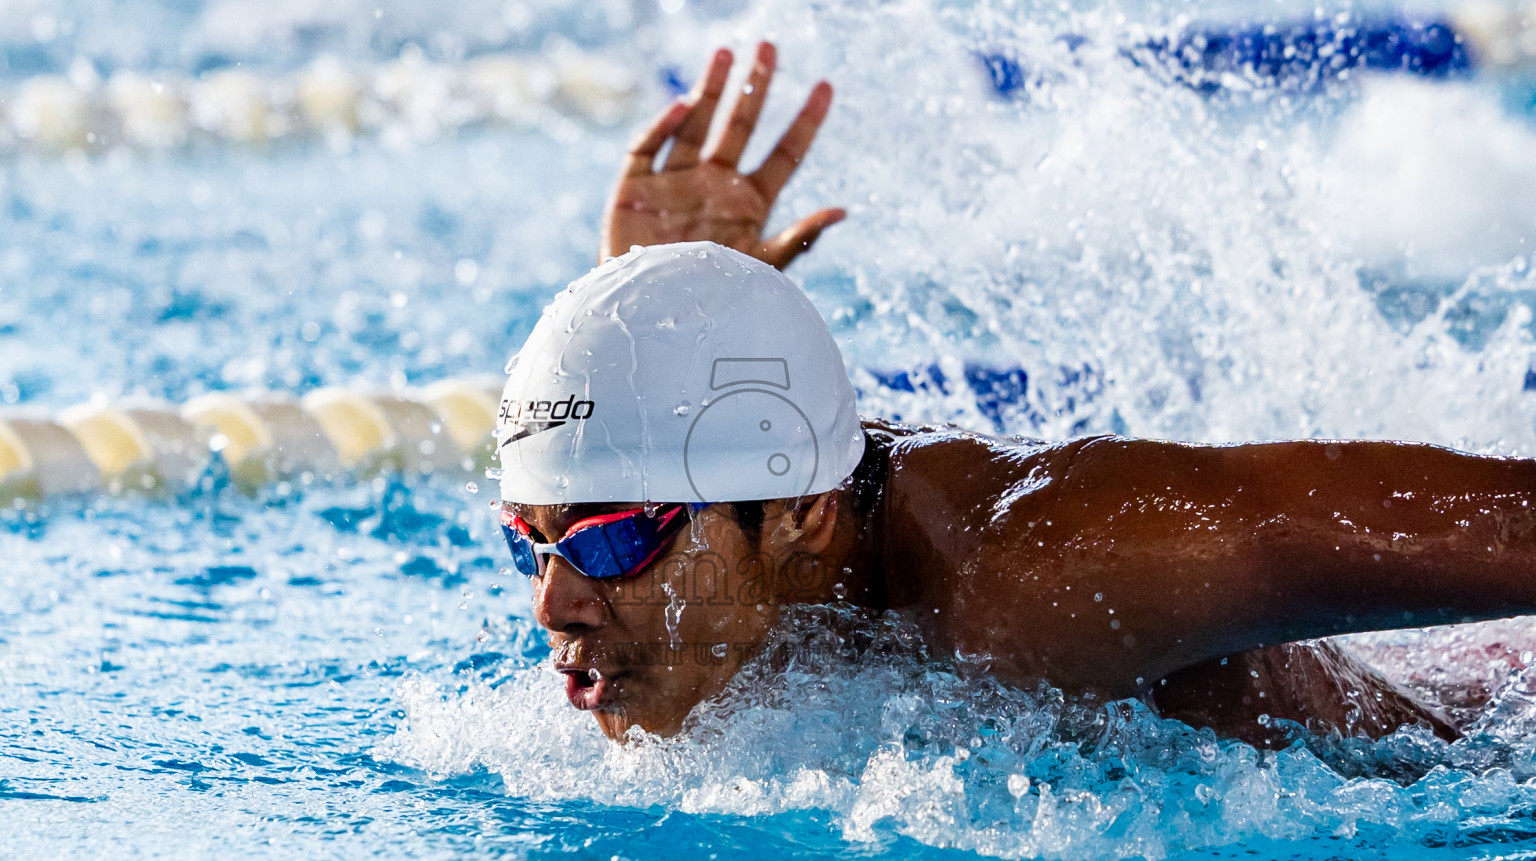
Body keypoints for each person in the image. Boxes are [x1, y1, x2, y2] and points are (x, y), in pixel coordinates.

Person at [497, 42, 1529, 746]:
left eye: (615, 538)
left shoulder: (1042, 570)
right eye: (531, 540)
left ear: (804, 516)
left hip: (1476, 750)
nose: (554, 600)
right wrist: (664, 319)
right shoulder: (714, 585)